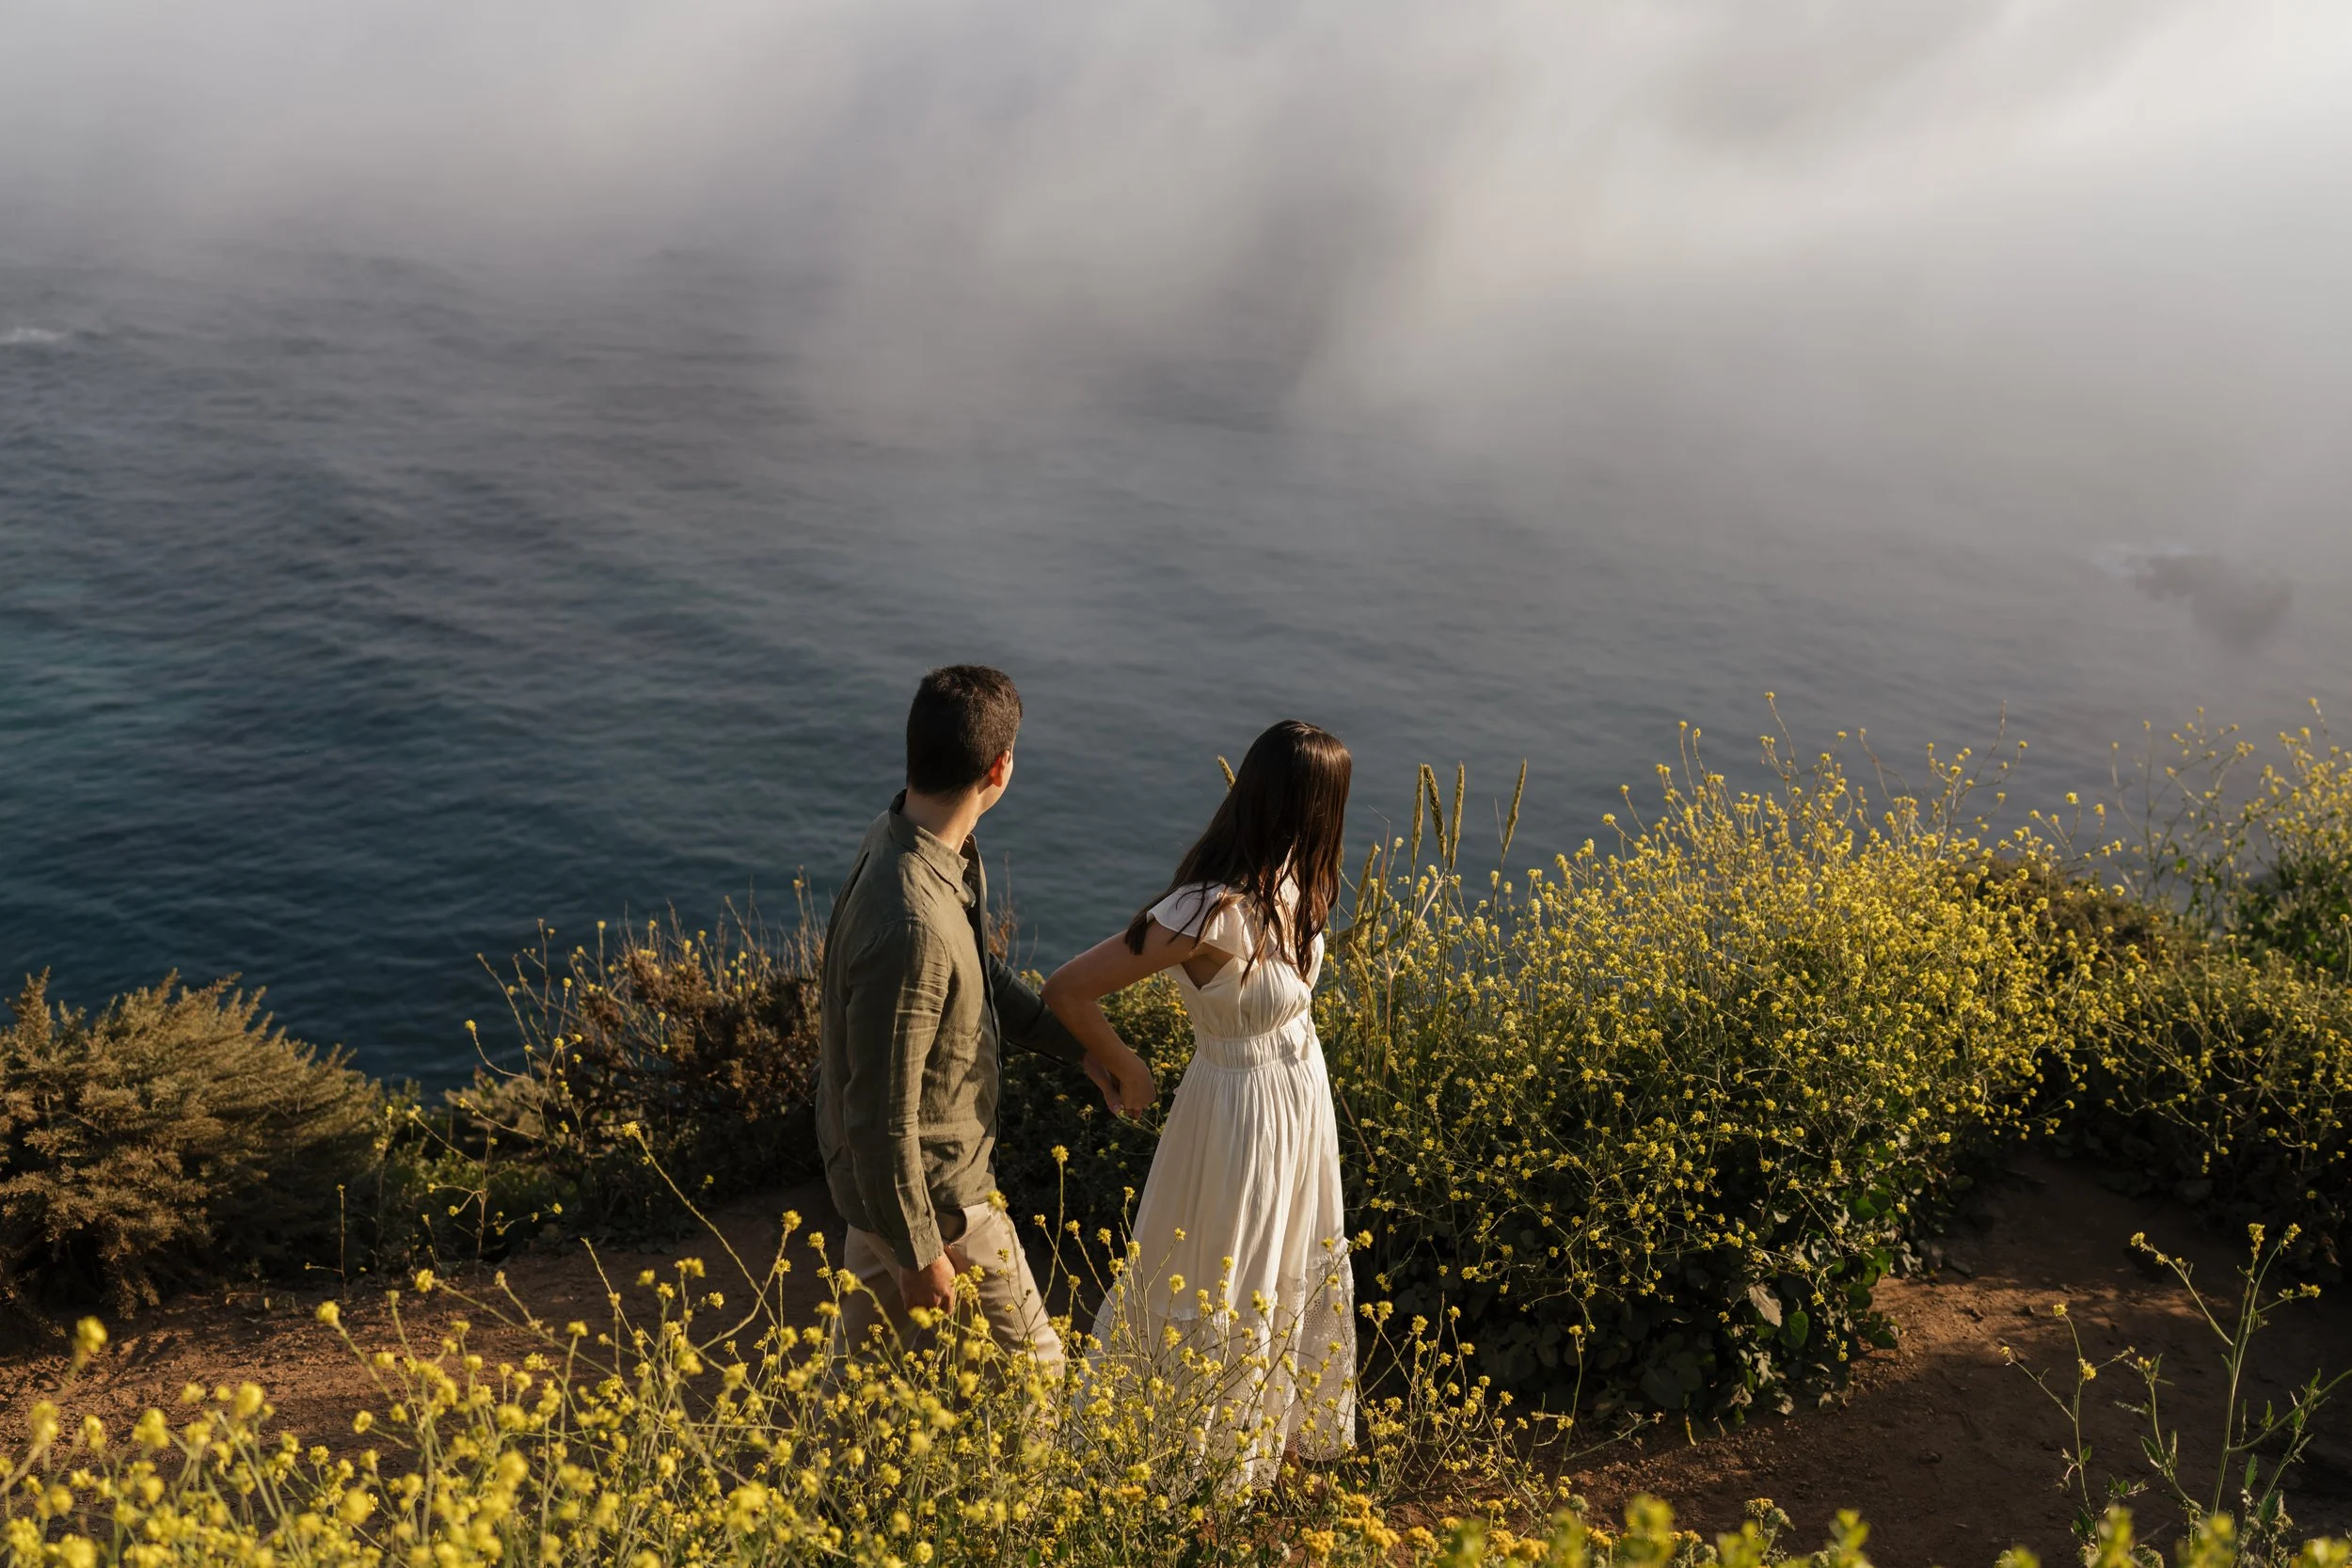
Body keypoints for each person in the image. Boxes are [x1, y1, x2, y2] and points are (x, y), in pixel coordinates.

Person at [1041, 719, 1357, 1483]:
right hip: (1235, 1113)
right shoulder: (1204, 910)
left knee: (1285, 1262)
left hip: (1298, 1101)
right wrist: (1124, 1065)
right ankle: (1190, 1467)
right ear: (1306, 805)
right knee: (1224, 1273)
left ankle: (1261, 1449)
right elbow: (1067, 989)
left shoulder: (1294, 885)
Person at [817, 665, 1154, 1378]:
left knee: (863, 1397)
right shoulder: (914, 921)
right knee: (1037, 1384)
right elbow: (880, 1114)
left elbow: (981, 975)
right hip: (938, 1202)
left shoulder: (907, 842)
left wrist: (1078, 1046)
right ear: (999, 767)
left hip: (885, 1196)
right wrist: (919, 1254)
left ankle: (839, 1492)